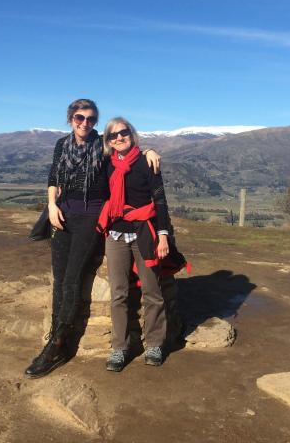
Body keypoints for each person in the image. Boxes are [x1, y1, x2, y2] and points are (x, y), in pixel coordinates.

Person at [25, 99, 160, 379]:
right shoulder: (62, 145)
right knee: (60, 280)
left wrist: (149, 150)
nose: (85, 123)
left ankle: (58, 344)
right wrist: (50, 206)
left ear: (96, 122)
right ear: (70, 118)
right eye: (79, 117)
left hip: (92, 218)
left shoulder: (103, 145)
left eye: (90, 118)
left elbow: (127, 149)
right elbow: (54, 176)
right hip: (62, 215)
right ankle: (55, 334)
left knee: (73, 278)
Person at [97, 117, 178, 372]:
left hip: (145, 232)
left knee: (152, 291)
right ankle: (119, 348)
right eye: (113, 136)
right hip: (116, 236)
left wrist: (163, 234)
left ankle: (154, 343)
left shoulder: (147, 162)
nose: (118, 138)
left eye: (123, 133)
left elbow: (160, 200)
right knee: (118, 293)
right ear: (108, 142)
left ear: (131, 134)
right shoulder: (106, 165)